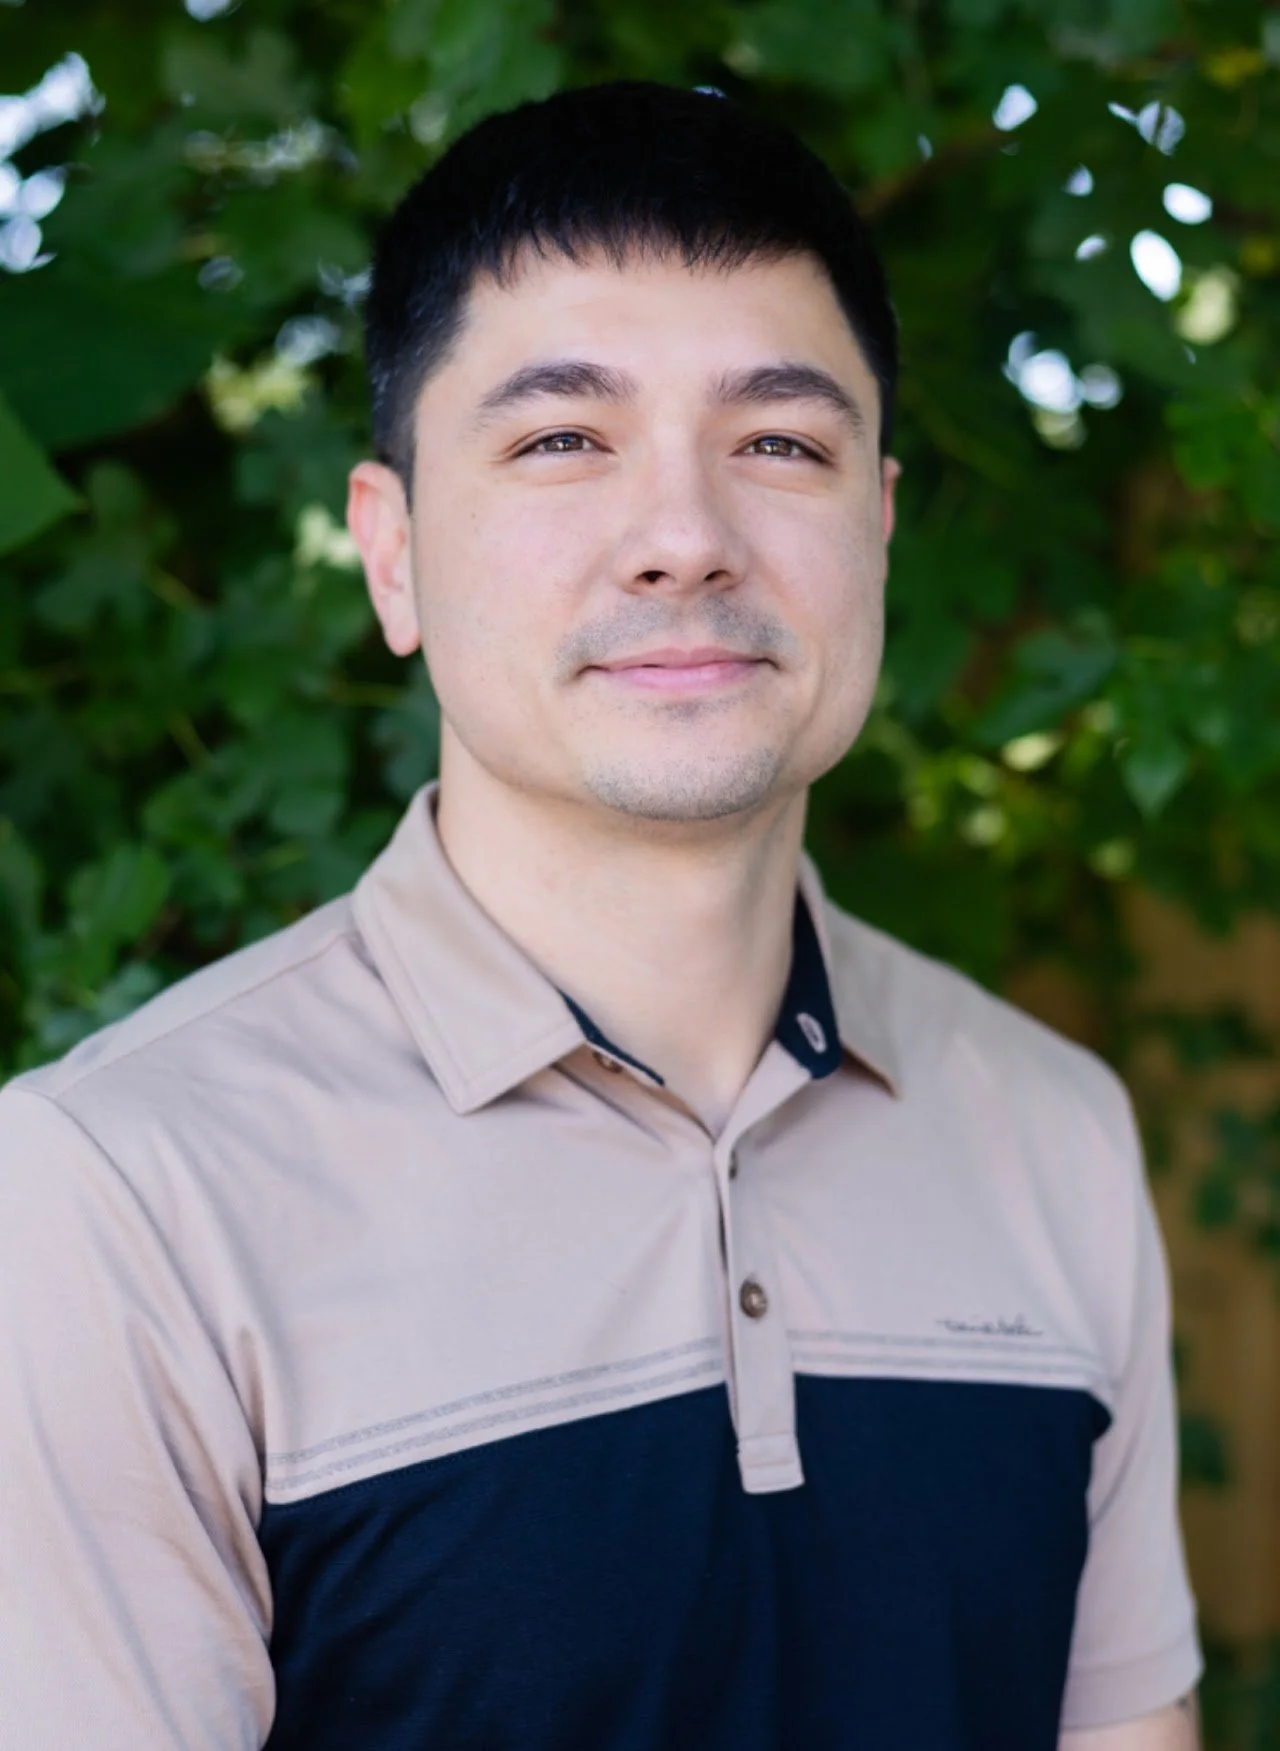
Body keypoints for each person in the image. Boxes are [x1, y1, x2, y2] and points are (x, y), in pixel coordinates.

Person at [0, 81, 1201, 1751]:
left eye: (779, 442)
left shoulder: (1050, 1132)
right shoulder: (119, 1203)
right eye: (563, 439)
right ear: (394, 552)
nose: (685, 538)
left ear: (878, 527)